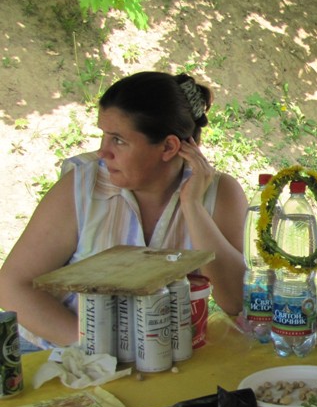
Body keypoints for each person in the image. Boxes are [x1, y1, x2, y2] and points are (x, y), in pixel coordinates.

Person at [0, 71, 248, 349]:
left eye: (118, 140)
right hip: (59, 349)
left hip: (165, 355)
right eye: (104, 136)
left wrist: (192, 207)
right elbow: (11, 286)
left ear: (168, 147)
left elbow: (237, 302)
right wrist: (97, 350)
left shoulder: (219, 193)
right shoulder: (83, 186)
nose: (103, 152)